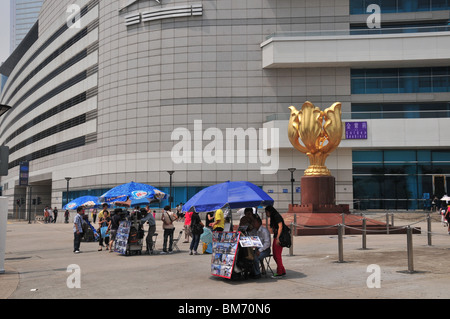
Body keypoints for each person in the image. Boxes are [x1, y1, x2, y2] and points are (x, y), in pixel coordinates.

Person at [265, 205, 286, 278]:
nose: (266, 214)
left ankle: (279, 272)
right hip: (276, 236)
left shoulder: (276, 216)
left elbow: (280, 226)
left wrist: (278, 238)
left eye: (266, 212)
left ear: (269, 211)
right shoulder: (273, 217)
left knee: (277, 255)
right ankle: (282, 270)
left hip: (279, 237)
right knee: (275, 255)